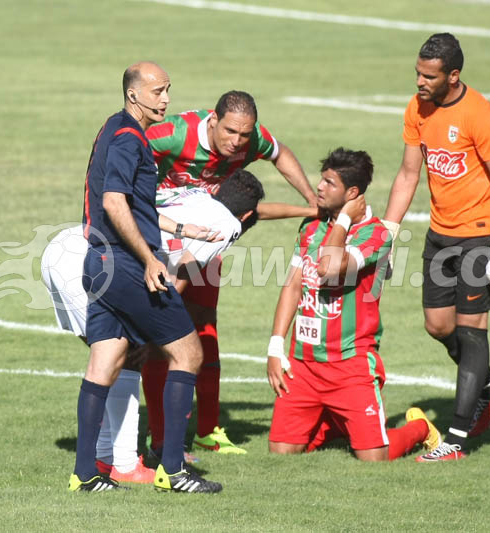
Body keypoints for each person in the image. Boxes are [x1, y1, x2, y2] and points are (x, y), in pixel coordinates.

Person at [43, 171, 264, 484]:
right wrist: (153, 329)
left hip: (67, 245)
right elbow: (181, 274)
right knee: (139, 355)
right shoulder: (228, 224)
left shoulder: (193, 195)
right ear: (247, 216)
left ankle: (104, 463)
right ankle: (125, 463)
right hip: (99, 260)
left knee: (115, 359)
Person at [69, 61, 221, 493]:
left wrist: (178, 229)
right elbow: (115, 203)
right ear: (134, 94)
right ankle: (173, 471)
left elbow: (130, 204)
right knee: (189, 354)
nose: (166, 99)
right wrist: (150, 259)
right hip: (127, 266)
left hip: (99, 264)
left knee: (104, 362)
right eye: (158, 91)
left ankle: (83, 475)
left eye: (169, 89)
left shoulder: (112, 129)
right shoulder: (129, 138)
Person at [141, 90, 318, 457]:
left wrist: (311, 203)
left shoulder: (250, 139)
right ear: (212, 121)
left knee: (205, 324)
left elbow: (280, 154)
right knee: (162, 332)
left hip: (208, 236)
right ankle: (160, 440)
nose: (237, 142)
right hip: (160, 237)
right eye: (231, 133)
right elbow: (124, 152)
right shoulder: (174, 134)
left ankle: (208, 430)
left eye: (244, 135)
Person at [382, 33, 490, 462]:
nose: (420, 82)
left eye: (429, 76)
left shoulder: (479, 115)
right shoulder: (417, 108)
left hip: (481, 233)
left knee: (470, 328)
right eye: (418, 73)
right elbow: (408, 174)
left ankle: (456, 439)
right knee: (438, 326)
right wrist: (387, 232)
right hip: (441, 234)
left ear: (453, 75)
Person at [265, 148, 441, 462]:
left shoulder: (376, 235)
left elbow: (330, 266)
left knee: (373, 457)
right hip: (303, 365)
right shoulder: (310, 228)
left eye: (329, 183)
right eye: (322, 179)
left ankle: (420, 430)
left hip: (350, 366)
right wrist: (276, 347)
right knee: (281, 452)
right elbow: (293, 285)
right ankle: (336, 422)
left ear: (352, 193)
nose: (319, 187)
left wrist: (344, 218)